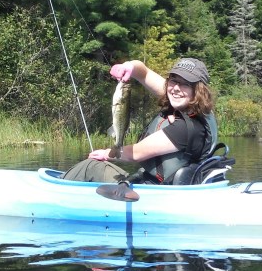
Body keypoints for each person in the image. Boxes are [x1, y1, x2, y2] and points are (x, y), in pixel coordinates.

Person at [63, 57, 216, 184]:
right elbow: (144, 74)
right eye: (173, 80)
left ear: (198, 90)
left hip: (155, 193)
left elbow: (136, 153)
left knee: (90, 166)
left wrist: (105, 153)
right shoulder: (199, 109)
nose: (176, 88)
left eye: (185, 83)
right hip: (153, 183)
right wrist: (129, 67)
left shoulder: (185, 128)